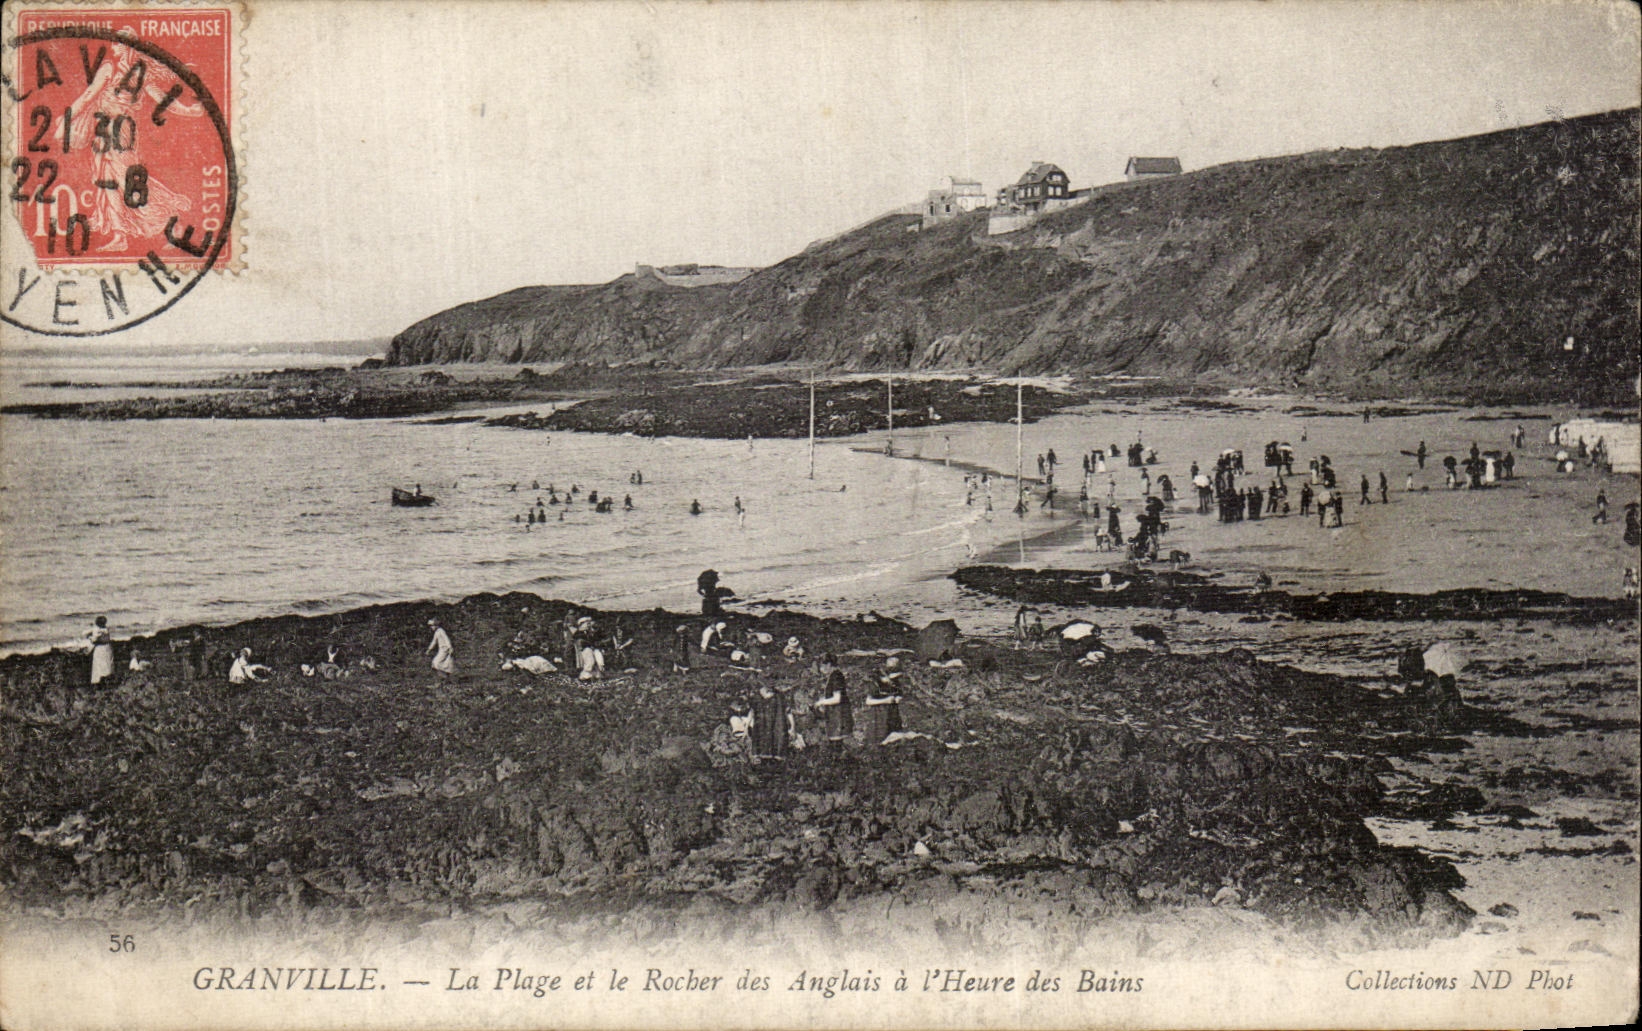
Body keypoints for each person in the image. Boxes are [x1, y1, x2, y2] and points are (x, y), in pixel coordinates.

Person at [814, 655, 854, 754]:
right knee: (835, 741)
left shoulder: (836, 676)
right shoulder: (834, 675)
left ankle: (838, 763)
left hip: (838, 713)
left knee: (837, 742)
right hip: (836, 713)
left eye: (821, 666)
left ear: (828, 664)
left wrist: (821, 702)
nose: (821, 670)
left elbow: (837, 698)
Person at [863, 658, 906, 744]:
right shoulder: (875, 683)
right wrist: (885, 700)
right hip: (879, 715)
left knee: (894, 738)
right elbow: (868, 701)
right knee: (880, 739)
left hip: (892, 714)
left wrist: (898, 698)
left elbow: (899, 693)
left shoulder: (895, 682)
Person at [749, 683, 792, 761]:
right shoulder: (756, 697)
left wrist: (793, 727)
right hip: (761, 727)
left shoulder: (779, 697)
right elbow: (751, 712)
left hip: (776, 727)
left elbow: (788, 711)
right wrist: (746, 727)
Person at [85, 616, 116, 686]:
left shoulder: (99, 631)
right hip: (108, 647)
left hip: (100, 649)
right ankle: (108, 680)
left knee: (99, 666)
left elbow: (94, 640)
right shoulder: (105, 629)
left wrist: (89, 637)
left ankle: (99, 682)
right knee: (108, 665)